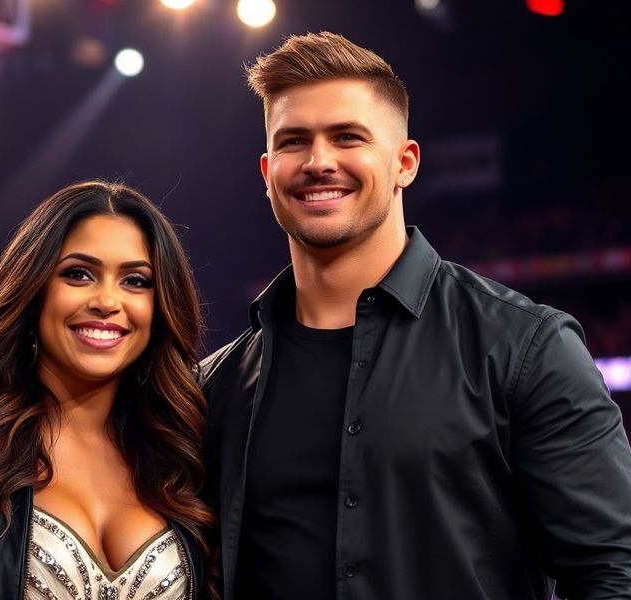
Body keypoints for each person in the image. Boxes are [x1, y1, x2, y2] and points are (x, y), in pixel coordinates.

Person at [199, 32, 631, 600]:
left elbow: (612, 572)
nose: (318, 161)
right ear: (266, 171)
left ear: (405, 163)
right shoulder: (215, 385)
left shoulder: (525, 347)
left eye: (347, 137)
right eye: (293, 141)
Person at [0, 181, 212, 599]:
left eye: (135, 280)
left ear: (160, 307)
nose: (107, 300)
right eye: (78, 274)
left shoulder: (187, 450)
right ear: (34, 292)